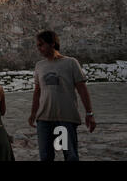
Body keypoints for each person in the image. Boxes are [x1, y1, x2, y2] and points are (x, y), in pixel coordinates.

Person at [28, 30, 96, 161]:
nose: (39, 48)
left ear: (52, 43)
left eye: (41, 44)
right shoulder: (39, 66)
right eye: (37, 45)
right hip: (44, 119)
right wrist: (33, 113)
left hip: (65, 119)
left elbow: (82, 89)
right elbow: (37, 91)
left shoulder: (70, 63)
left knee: (69, 155)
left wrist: (89, 113)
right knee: (46, 156)